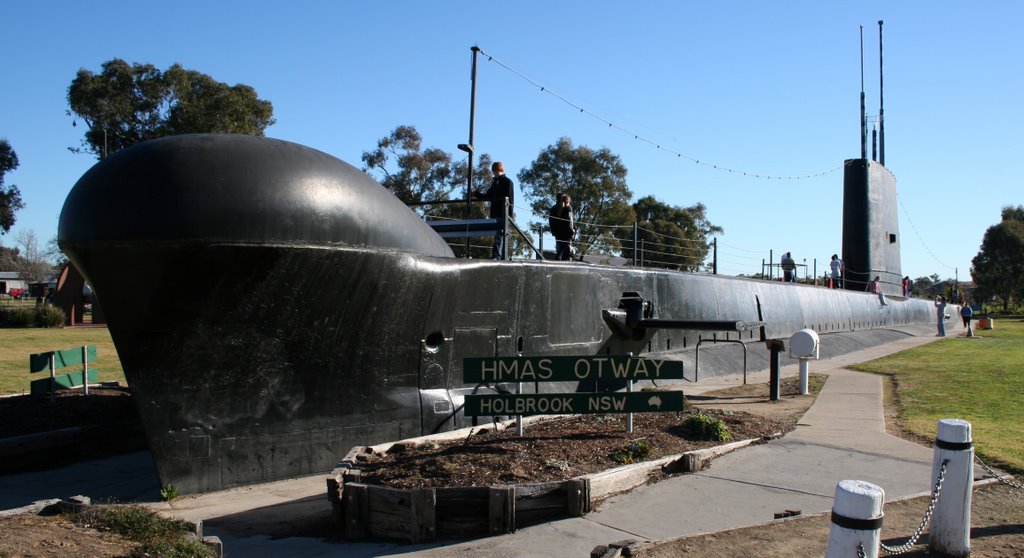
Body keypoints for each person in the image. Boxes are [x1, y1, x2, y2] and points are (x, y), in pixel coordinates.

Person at [472, 161, 515, 260]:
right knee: (498, 235)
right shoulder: (494, 183)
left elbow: (511, 200)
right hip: (495, 213)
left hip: (503, 213)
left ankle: (497, 256)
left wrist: (509, 215)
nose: (493, 173)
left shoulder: (508, 182)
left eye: (494, 170)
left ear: (497, 170)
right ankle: (499, 256)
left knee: (500, 235)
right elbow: (487, 196)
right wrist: (476, 193)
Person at [548, 193, 575, 261]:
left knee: (560, 247)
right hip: (567, 232)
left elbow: (551, 220)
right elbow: (570, 221)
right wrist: (572, 230)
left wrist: (553, 231)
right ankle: (566, 260)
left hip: (558, 232)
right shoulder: (568, 208)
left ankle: (558, 259)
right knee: (566, 248)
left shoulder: (554, 208)